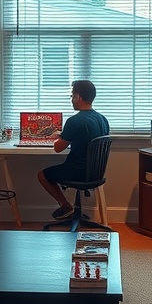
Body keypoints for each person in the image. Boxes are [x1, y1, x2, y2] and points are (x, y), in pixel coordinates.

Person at [38, 79, 110, 219]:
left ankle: (65, 206)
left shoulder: (74, 121)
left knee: (42, 175)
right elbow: (86, 137)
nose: (71, 99)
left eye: (72, 96)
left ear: (78, 97)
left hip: (77, 172)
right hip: (96, 173)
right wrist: (64, 135)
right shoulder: (102, 119)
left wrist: (57, 138)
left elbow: (58, 148)